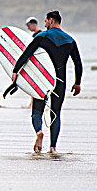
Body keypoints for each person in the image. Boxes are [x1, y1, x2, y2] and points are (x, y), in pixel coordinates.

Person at [12, 11, 83, 154]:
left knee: (36, 112)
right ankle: (52, 147)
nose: (44, 25)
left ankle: (39, 131)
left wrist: (15, 70)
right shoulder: (70, 40)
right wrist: (77, 82)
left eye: (45, 21)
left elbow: (26, 54)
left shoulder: (41, 37)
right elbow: (78, 63)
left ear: (50, 20)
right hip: (60, 81)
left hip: (42, 81)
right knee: (55, 113)